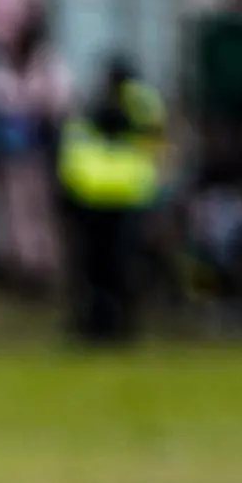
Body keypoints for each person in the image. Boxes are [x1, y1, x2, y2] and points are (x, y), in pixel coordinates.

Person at [59, 54, 167, 341]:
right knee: (96, 267)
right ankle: (96, 323)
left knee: (117, 267)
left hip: (121, 196)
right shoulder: (92, 107)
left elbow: (155, 140)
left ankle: (118, 324)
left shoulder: (139, 105)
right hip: (96, 195)